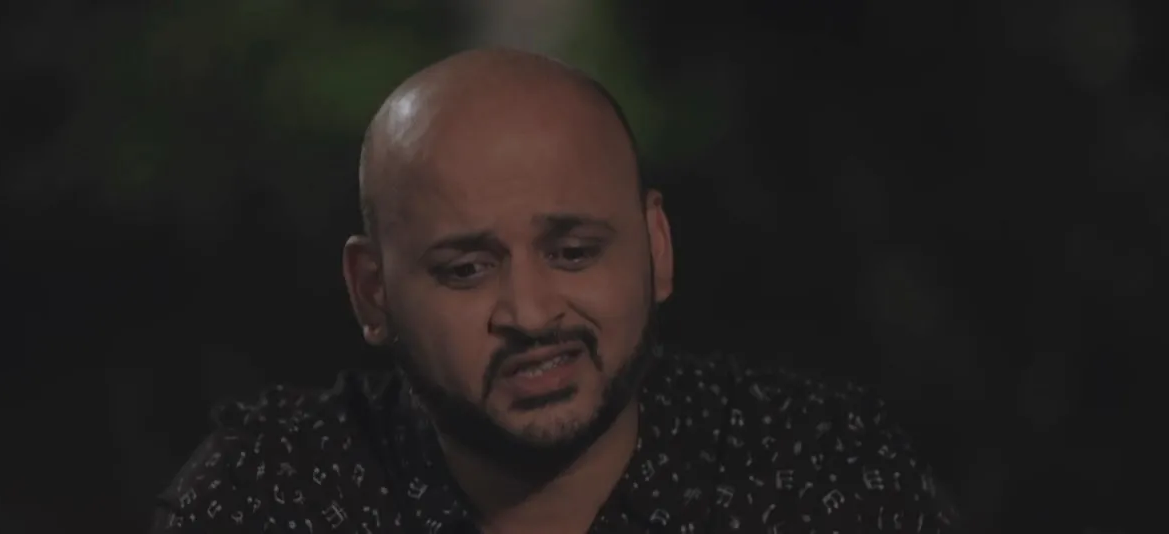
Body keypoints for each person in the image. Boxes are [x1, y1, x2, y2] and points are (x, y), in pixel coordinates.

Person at [151, 48, 959, 534]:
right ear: (372, 293)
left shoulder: (814, 476)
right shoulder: (272, 496)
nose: (532, 314)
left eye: (572, 253)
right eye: (466, 270)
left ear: (656, 247)